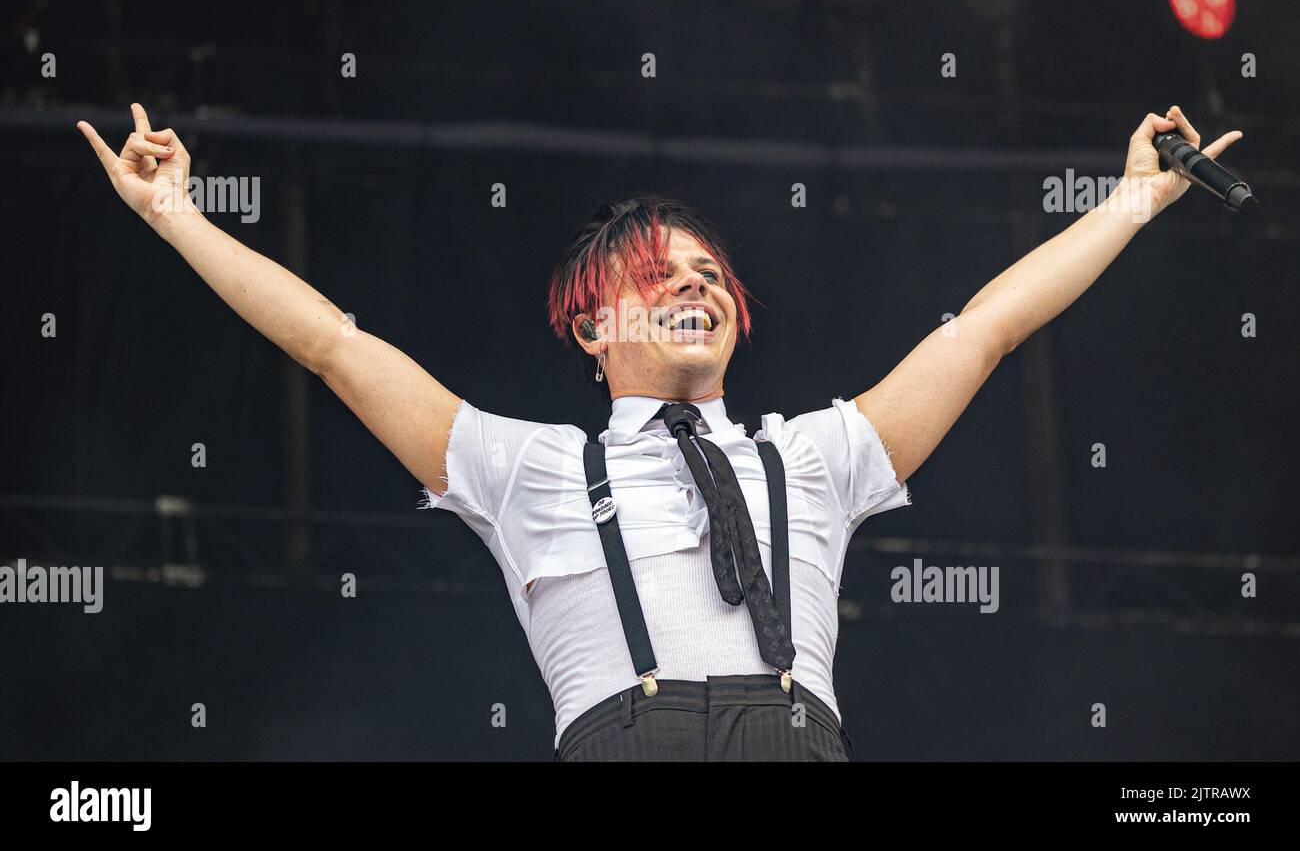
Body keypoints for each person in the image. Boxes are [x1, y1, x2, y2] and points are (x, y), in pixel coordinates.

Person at [77, 104, 1242, 761]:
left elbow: (986, 328)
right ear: (592, 325)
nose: (691, 285)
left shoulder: (814, 455)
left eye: (708, 273)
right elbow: (332, 342)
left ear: (736, 310)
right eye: (656, 276)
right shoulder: (530, 464)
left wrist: (1132, 198)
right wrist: (177, 214)